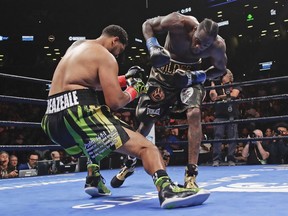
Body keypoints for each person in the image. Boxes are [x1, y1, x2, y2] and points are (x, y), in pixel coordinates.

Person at [41, 24, 209, 209]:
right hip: (79, 113)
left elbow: (90, 80)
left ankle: (93, 177)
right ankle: (166, 189)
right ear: (115, 40)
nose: (119, 55)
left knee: (95, 139)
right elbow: (115, 102)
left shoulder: (77, 46)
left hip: (52, 120)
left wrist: (125, 78)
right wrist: (133, 90)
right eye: (120, 50)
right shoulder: (106, 56)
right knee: (147, 148)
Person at [111, 12, 227, 190]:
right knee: (146, 121)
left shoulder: (218, 46)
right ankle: (130, 162)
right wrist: (153, 47)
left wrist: (197, 76)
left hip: (188, 79)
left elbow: (220, 70)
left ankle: (191, 175)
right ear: (195, 29)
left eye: (204, 45)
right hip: (161, 77)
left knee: (194, 112)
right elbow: (147, 24)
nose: (198, 47)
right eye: (197, 40)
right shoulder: (178, 22)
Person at [209, 69, 242, 166]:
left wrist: (220, 97)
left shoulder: (235, 85)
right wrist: (212, 83)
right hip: (219, 115)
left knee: (232, 137)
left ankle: (231, 159)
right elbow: (213, 96)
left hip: (232, 115)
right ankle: (216, 159)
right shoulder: (218, 86)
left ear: (229, 76)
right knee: (217, 137)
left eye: (224, 75)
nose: (222, 77)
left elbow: (233, 95)